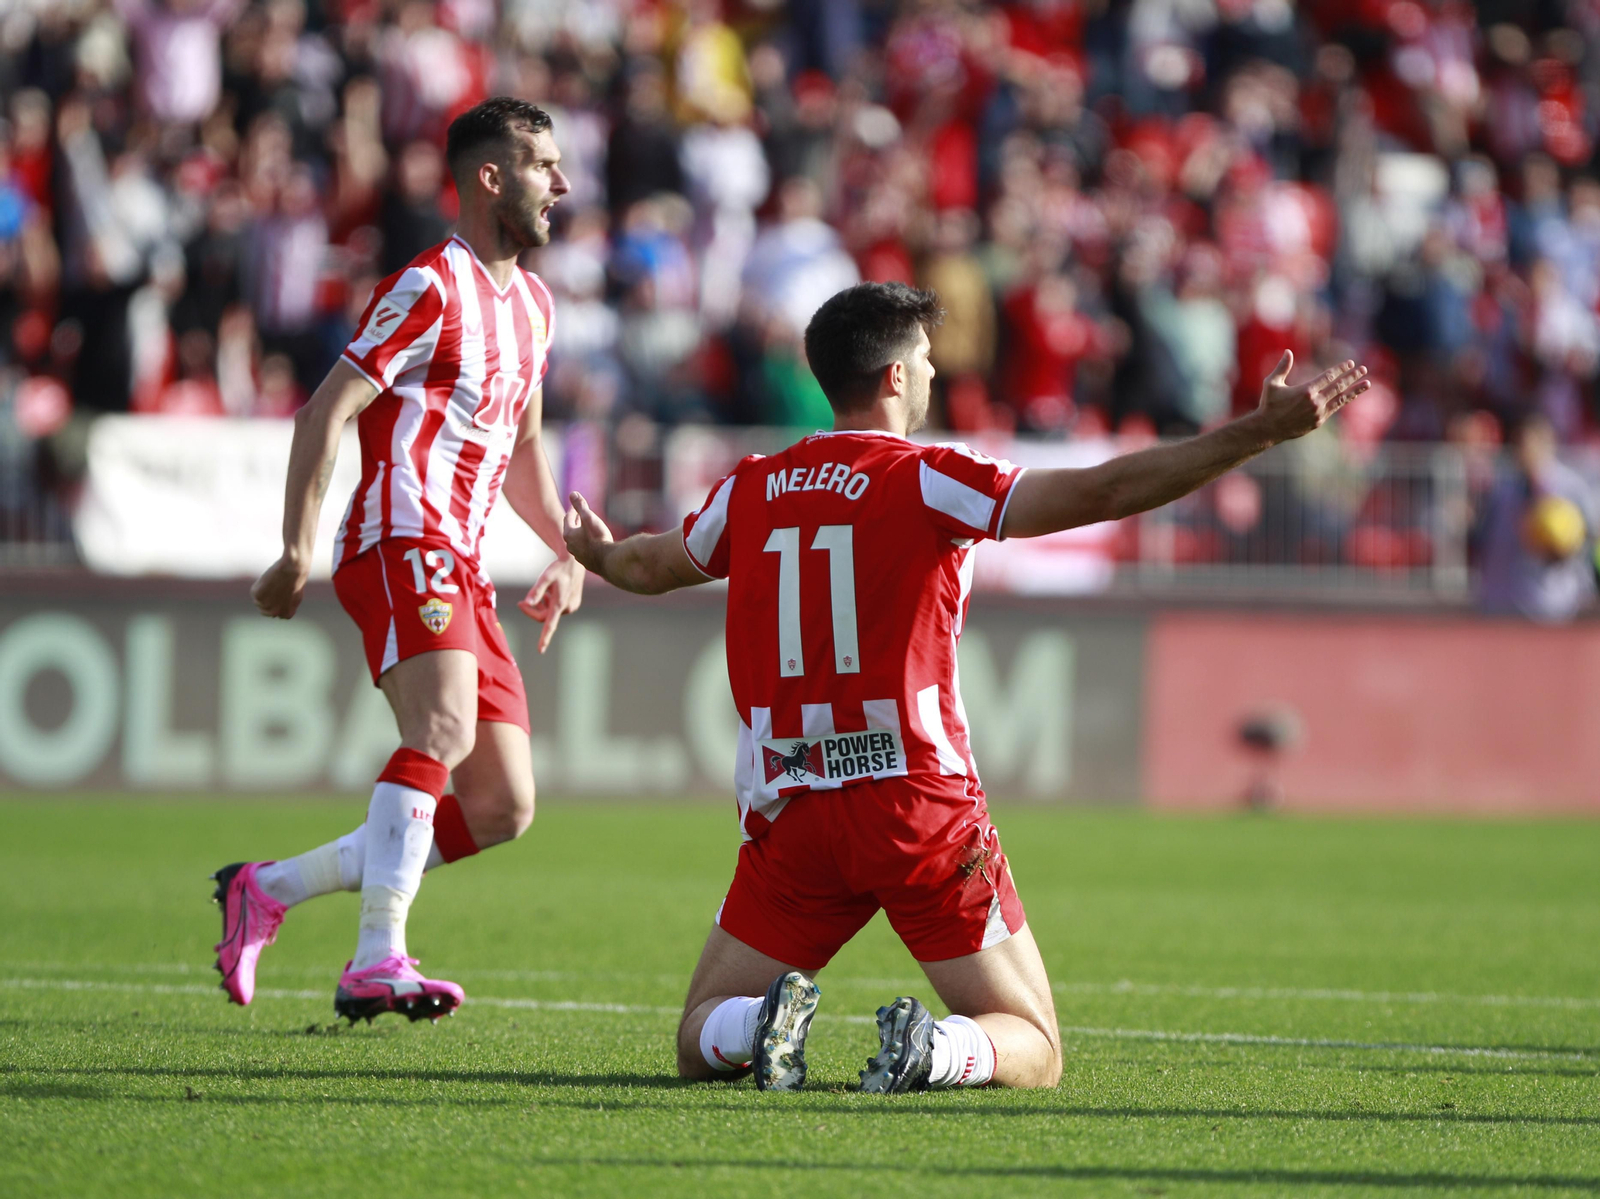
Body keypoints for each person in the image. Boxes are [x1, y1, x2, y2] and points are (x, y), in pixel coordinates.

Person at [562, 282, 1368, 1091]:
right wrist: (1257, 435)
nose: (935, 372)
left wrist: (592, 553)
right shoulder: (930, 477)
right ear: (892, 380)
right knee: (1034, 1045)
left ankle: (762, 1021)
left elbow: (645, 565)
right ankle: (933, 1050)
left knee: (702, 1029)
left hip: (798, 808)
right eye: (924, 358)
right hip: (914, 806)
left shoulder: (753, 487)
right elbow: (1103, 492)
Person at [212, 97, 585, 1023]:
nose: (564, 184)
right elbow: (324, 410)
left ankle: (269, 887)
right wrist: (297, 547)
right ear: (490, 178)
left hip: (465, 562)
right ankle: (377, 956)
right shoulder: (430, 286)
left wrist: (570, 548)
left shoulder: (535, 306)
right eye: (545, 165)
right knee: (444, 732)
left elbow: (524, 452)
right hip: (399, 536)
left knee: (502, 803)